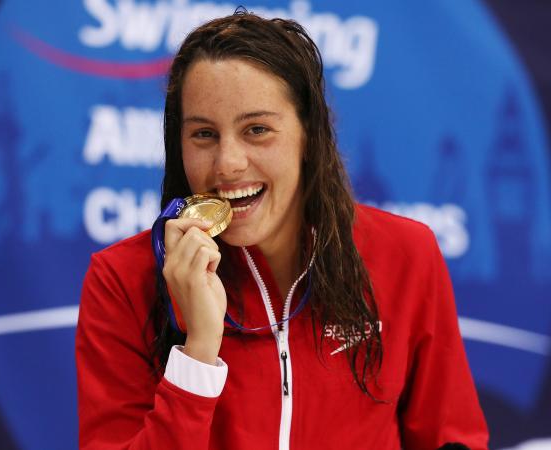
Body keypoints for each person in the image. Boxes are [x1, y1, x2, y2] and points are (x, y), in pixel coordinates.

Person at [76, 11, 488, 450]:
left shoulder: (404, 253)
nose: (228, 163)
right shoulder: (123, 280)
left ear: (309, 134)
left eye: (257, 130)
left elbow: (451, 440)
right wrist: (197, 352)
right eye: (203, 134)